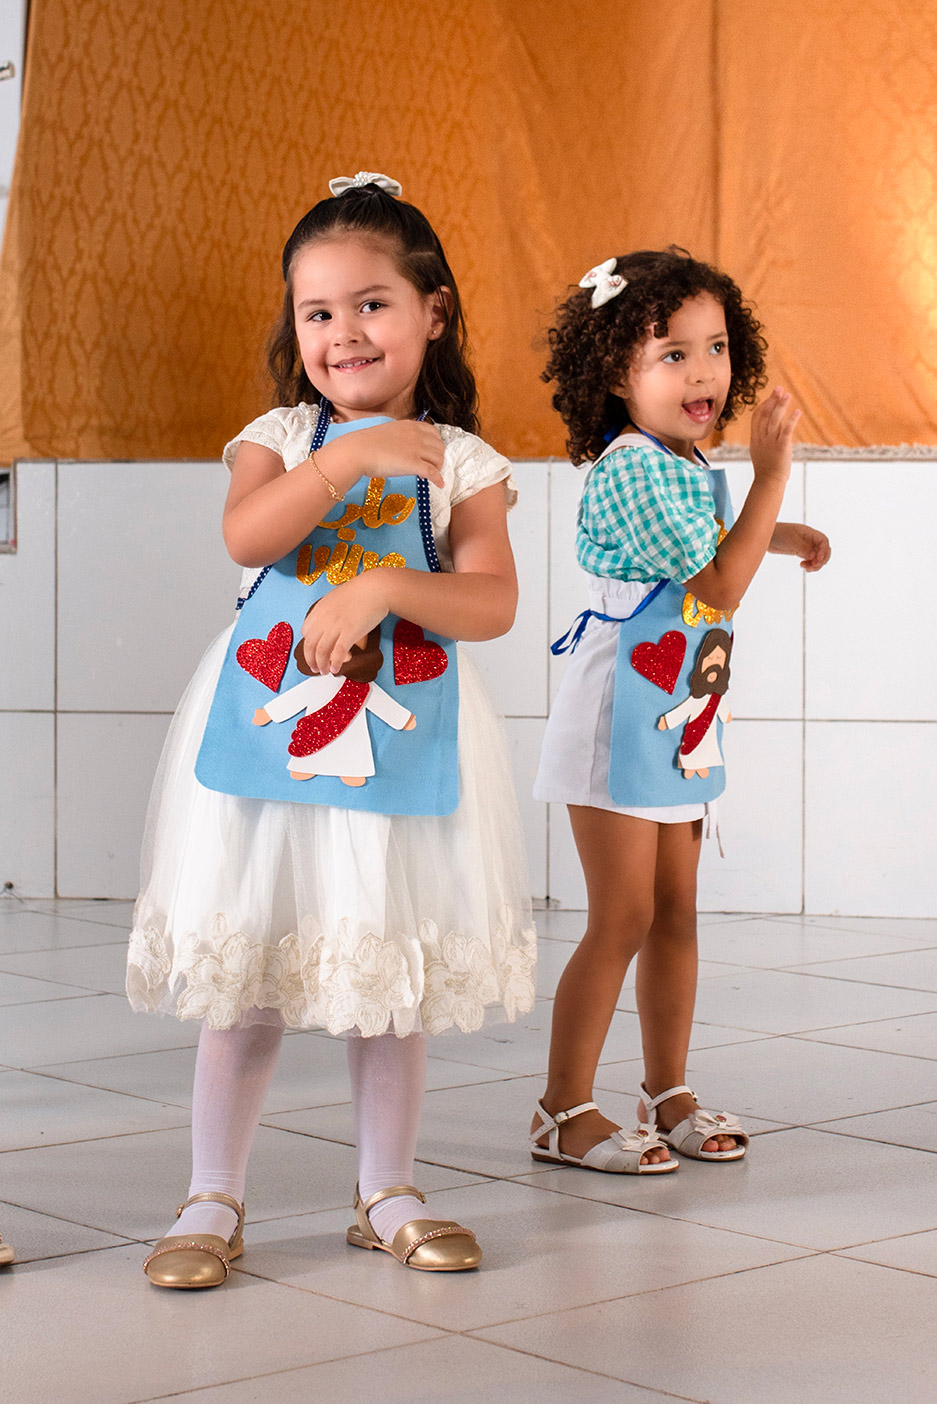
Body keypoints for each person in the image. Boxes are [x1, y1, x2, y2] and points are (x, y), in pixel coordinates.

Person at [127, 171, 535, 1284]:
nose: (343, 332)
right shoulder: (277, 437)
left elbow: (491, 601)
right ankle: (212, 1193)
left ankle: (385, 1189)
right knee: (246, 971)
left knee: (385, 970)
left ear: (432, 311)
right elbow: (249, 539)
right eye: (317, 312)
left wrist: (389, 584)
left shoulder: (462, 460)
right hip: (267, 724)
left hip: (401, 731)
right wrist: (344, 458)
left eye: (371, 304)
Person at [532, 248, 830, 1173]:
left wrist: (772, 532)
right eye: (672, 354)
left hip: (675, 715)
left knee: (675, 915)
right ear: (614, 376)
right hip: (617, 720)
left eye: (715, 348)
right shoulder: (630, 468)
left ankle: (665, 1092)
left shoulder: (681, 461)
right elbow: (713, 587)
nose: (703, 372)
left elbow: (707, 545)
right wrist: (772, 481)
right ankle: (561, 1108)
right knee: (620, 918)